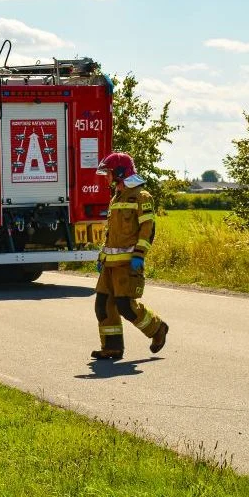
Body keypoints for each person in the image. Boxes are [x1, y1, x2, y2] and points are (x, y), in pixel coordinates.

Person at [91, 152, 170, 360]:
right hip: (110, 265)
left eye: (108, 173)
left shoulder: (141, 197)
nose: (106, 177)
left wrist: (139, 255)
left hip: (128, 264)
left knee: (126, 306)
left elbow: (147, 229)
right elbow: (112, 233)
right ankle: (113, 347)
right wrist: (102, 256)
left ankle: (157, 328)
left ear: (119, 172)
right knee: (103, 306)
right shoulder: (116, 198)